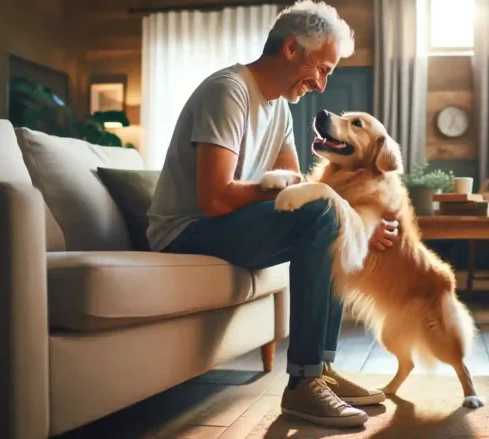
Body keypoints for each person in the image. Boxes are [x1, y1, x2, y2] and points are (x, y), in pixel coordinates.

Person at [146, 0, 399, 428]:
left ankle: (320, 367)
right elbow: (215, 199)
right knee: (325, 214)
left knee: (333, 217)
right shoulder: (229, 91)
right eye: (322, 69)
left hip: (228, 225)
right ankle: (302, 382)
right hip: (187, 230)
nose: (321, 85)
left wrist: (358, 226)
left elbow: (296, 186)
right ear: (292, 50)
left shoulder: (279, 106)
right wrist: (320, 207)